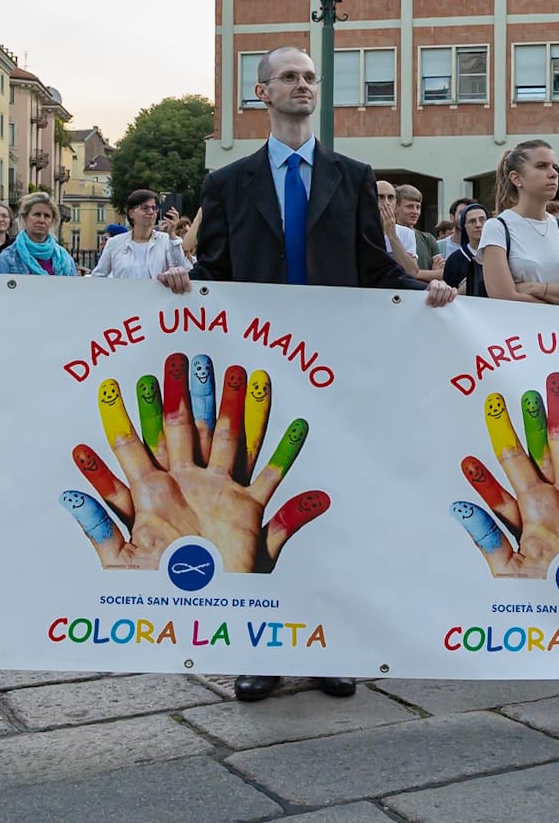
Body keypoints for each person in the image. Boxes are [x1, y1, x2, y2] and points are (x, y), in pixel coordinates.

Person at [160, 45, 452, 701]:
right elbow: (216, 272)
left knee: (327, 507)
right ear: (261, 93)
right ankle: (262, 649)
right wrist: (184, 280)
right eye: (289, 76)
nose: (303, 84)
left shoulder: (352, 176)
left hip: (332, 375)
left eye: (310, 77)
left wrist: (422, 291)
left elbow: (374, 269)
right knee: (252, 509)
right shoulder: (229, 183)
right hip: (257, 374)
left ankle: (331, 643)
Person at [481, 142, 559, 308]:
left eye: (554, 167)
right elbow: (504, 298)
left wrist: (534, 288)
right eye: (542, 166)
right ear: (516, 178)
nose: (553, 174)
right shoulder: (497, 227)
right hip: (519, 330)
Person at [91, 189, 188, 279]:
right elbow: (98, 277)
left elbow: (183, 271)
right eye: (145, 208)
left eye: (154, 208)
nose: (151, 212)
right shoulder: (115, 243)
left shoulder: (166, 240)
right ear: (131, 213)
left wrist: (172, 235)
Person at [0, 192, 77, 276]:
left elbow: (73, 287)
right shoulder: (8, 257)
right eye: (37, 214)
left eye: (47, 216)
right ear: (25, 217)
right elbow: (1, 288)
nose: (42, 220)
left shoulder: (65, 257)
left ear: (52, 220)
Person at [393, 185, 445, 282]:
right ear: (396, 207)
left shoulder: (428, 238)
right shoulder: (389, 236)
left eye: (418, 207)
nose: (415, 212)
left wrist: (412, 272)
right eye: (409, 207)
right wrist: (429, 274)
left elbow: (442, 274)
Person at [444, 203, 488, 296]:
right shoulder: (454, 260)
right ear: (464, 226)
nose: (478, 225)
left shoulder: (500, 255)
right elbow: (447, 299)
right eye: (472, 221)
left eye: (482, 220)